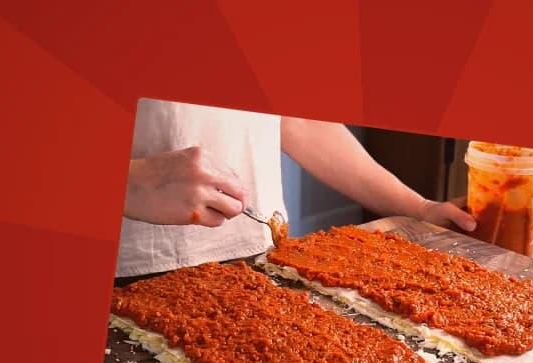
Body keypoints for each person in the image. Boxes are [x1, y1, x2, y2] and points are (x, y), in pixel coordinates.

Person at [117, 98, 476, 279]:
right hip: (132, 270)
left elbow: (297, 119)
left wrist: (420, 207)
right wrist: (135, 180)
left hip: (261, 256)